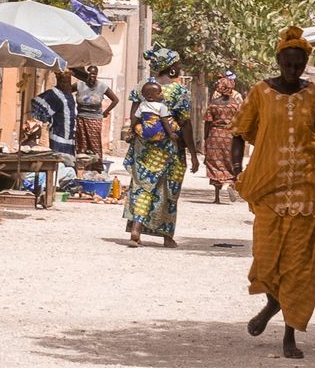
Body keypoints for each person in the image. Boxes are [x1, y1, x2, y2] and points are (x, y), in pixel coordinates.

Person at [230, 27, 315, 359]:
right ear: (278, 61)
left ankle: (290, 334)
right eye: (287, 64)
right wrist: (235, 170)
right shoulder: (259, 92)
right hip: (269, 190)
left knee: (300, 266)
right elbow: (239, 132)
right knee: (267, 259)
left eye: (298, 65)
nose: (292, 70)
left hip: (309, 191)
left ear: (304, 64)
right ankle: (272, 303)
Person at [124, 44, 200, 247]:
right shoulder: (179, 91)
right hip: (170, 147)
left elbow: (133, 114)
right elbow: (185, 123)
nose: (179, 68)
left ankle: (136, 228)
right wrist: (193, 153)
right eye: (178, 65)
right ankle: (166, 236)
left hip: (143, 146)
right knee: (169, 188)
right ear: (172, 68)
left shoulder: (142, 86)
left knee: (142, 186)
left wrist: (134, 134)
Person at [204, 75, 243, 203]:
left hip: (215, 135)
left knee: (215, 164)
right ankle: (231, 184)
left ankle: (216, 197)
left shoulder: (213, 104)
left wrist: (206, 138)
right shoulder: (236, 104)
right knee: (229, 162)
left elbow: (208, 122)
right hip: (230, 136)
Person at [71, 65, 119, 172]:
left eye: (94, 74)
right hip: (81, 118)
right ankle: (82, 168)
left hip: (95, 118)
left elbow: (115, 100)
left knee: (94, 144)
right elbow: (66, 92)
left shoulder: (102, 87)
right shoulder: (79, 85)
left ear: (96, 75)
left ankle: (97, 168)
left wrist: (106, 112)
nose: (91, 76)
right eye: (89, 73)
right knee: (82, 144)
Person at [30, 70, 77, 167]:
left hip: (69, 135)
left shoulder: (68, 94)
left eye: (67, 81)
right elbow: (36, 101)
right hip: (58, 134)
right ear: (58, 81)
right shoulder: (53, 93)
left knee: (69, 162)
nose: (65, 84)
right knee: (60, 162)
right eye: (63, 81)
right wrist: (44, 117)